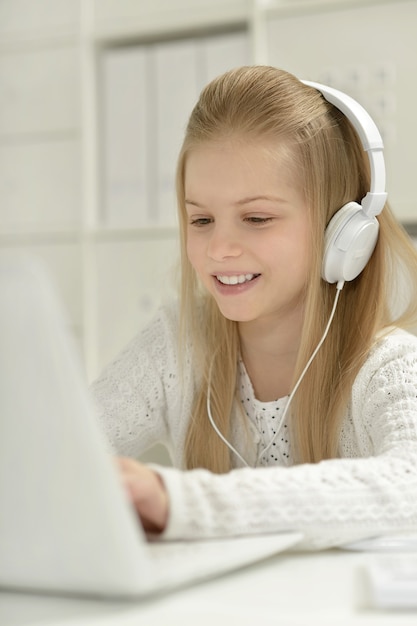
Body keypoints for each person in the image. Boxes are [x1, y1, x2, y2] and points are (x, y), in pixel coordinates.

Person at [91, 65, 417, 549]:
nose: (219, 248)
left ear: (343, 232)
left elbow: (407, 483)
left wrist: (185, 503)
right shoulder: (177, 346)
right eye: (201, 219)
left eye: (257, 218)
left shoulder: (390, 368)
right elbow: (60, 451)